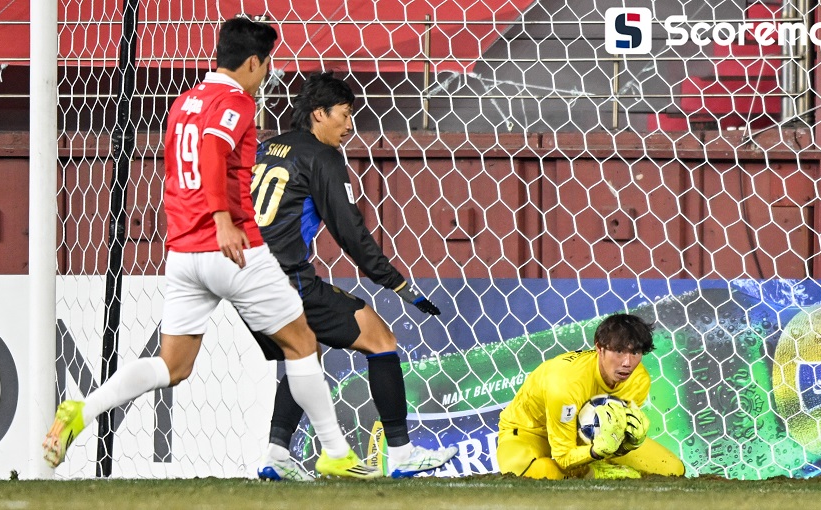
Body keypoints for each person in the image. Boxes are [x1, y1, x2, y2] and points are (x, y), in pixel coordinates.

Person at [42, 18, 378, 479]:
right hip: (232, 248)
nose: (267, 74)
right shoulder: (235, 101)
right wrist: (222, 220)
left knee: (173, 365)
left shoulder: (184, 102)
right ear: (254, 62)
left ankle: (83, 409)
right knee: (303, 342)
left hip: (183, 253)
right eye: (267, 64)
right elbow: (213, 152)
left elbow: (180, 167)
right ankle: (336, 452)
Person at [247, 71, 457, 480]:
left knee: (304, 352)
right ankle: (402, 454)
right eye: (343, 115)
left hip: (243, 277)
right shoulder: (322, 157)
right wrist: (396, 283)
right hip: (284, 279)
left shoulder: (264, 148)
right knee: (380, 339)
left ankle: (276, 455)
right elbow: (351, 232)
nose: (348, 126)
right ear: (319, 113)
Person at [496, 313, 685, 479]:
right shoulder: (565, 383)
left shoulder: (639, 380)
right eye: (619, 351)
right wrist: (595, 456)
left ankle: (590, 472)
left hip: (584, 438)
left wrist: (627, 444)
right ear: (599, 348)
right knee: (542, 472)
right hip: (529, 433)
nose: (627, 363)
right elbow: (563, 457)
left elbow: (608, 435)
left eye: (635, 352)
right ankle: (593, 474)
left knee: (672, 470)